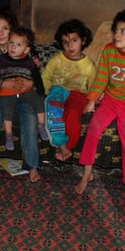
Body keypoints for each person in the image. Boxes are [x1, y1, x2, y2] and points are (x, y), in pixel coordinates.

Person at [75, 9, 125, 195]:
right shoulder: (109, 50)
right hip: (110, 100)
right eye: (116, 30)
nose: (117, 35)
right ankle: (86, 174)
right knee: (93, 130)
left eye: (123, 31)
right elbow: (101, 77)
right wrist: (92, 100)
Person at [0, 13, 41, 183]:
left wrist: (29, 84)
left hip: (24, 94)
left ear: (12, 29)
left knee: (30, 117)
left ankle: (32, 165)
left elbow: (36, 76)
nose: (1, 33)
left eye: (5, 28)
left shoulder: (26, 48)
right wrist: (1, 84)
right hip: (3, 94)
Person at [41, 19, 97, 161]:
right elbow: (45, 77)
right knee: (54, 109)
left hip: (78, 94)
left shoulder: (89, 65)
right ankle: (61, 144)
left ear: (83, 41)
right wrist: (49, 89)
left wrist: (90, 102)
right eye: (65, 42)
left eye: (74, 40)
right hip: (58, 91)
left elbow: (94, 86)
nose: (70, 46)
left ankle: (68, 147)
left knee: (72, 113)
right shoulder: (57, 59)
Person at [0, 26, 47, 153]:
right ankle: (9, 135)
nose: (13, 47)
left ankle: (42, 125)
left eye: (18, 45)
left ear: (26, 49)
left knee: (38, 102)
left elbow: (37, 78)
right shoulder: (0, 60)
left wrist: (41, 92)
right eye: (11, 43)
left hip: (26, 91)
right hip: (8, 92)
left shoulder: (30, 62)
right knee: (7, 111)